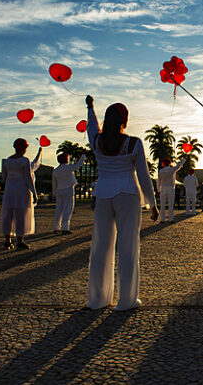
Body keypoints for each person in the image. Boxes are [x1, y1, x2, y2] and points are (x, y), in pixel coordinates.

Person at [85, 95, 158, 311]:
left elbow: (91, 125)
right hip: (127, 193)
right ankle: (126, 301)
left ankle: (98, 299)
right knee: (128, 246)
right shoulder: (133, 143)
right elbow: (144, 175)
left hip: (103, 194)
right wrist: (151, 204)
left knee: (101, 246)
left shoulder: (96, 140)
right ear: (124, 120)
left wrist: (90, 107)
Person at [1, 138, 38, 249]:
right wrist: (34, 193)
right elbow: (28, 178)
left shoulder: (7, 161)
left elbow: (3, 177)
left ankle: (7, 240)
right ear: (25, 148)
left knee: (8, 215)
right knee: (20, 215)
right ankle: (20, 240)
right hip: (21, 190)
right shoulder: (24, 161)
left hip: (9, 191)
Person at [52, 152, 85, 234]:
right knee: (68, 209)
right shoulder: (68, 168)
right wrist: (83, 156)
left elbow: (54, 184)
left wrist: (55, 193)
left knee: (59, 209)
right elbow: (79, 164)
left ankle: (56, 227)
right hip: (68, 189)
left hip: (59, 190)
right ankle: (65, 228)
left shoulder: (55, 171)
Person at [157, 157, 186, 222]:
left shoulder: (161, 171)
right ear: (170, 163)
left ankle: (162, 219)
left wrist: (158, 189)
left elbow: (159, 181)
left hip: (163, 188)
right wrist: (183, 159)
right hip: (170, 188)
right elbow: (179, 166)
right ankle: (170, 219)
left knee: (162, 205)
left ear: (163, 163)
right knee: (171, 204)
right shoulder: (172, 169)